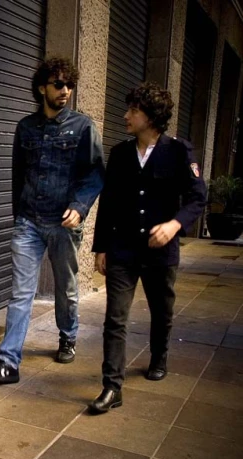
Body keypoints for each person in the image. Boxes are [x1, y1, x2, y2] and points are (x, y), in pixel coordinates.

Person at [0, 56, 105, 384]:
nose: (65, 91)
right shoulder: (25, 128)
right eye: (59, 84)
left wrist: (79, 206)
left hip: (64, 223)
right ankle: (8, 363)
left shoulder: (83, 127)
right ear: (42, 88)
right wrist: (19, 214)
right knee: (21, 292)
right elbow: (17, 174)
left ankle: (68, 335)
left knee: (66, 287)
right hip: (29, 223)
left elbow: (95, 173)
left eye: (69, 85)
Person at [89, 82, 206, 413]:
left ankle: (159, 355)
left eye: (133, 111)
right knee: (115, 318)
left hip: (160, 253)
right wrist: (101, 248)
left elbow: (198, 197)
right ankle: (112, 386)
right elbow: (108, 204)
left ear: (151, 117)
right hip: (123, 249)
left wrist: (173, 225)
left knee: (162, 311)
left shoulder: (179, 152)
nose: (126, 116)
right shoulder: (120, 153)